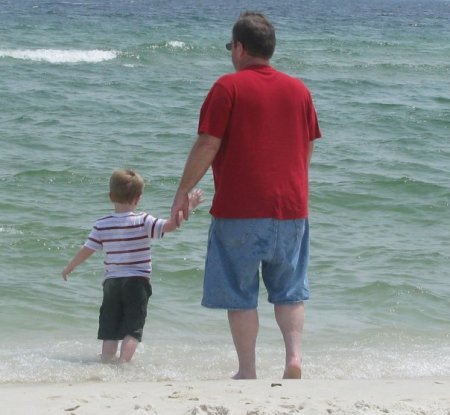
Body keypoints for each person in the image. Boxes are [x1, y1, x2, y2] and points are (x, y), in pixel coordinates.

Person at [170, 12, 321, 379]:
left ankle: (248, 370)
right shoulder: (299, 90)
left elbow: (208, 143)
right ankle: (293, 358)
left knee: (239, 294)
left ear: (239, 48)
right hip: (291, 209)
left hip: (239, 210)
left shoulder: (228, 87)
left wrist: (182, 191)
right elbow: (307, 147)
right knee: (290, 291)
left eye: (230, 46)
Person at [62, 168, 203, 363]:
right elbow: (170, 226)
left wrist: (70, 267)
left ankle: (106, 360)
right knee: (133, 328)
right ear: (138, 198)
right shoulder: (144, 221)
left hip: (111, 283)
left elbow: (87, 249)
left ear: (110, 196)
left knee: (109, 329)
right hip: (137, 282)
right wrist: (189, 207)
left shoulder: (101, 224)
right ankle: (123, 363)